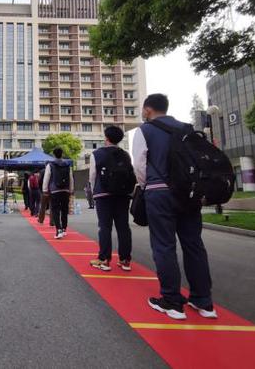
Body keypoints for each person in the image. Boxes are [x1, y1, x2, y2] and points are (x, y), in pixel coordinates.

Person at [132, 93, 217, 320]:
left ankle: (171, 301)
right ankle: (204, 302)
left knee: (164, 246)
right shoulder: (186, 129)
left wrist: (145, 186)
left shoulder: (145, 130)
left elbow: (139, 165)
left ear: (147, 110)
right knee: (193, 245)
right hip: (189, 193)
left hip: (159, 193)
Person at [89, 126, 134, 272]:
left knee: (105, 227)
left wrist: (94, 191)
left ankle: (104, 259)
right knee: (123, 227)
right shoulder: (126, 155)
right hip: (123, 195)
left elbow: (92, 176)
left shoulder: (96, 154)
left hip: (103, 194)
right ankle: (125, 260)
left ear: (106, 137)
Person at [42, 148, 74, 239]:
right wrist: (71, 189)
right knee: (64, 210)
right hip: (65, 190)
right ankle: (64, 229)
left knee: (55, 210)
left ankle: (58, 230)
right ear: (62, 154)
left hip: (55, 190)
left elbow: (46, 178)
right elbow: (71, 178)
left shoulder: (50, 165)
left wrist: (45, 190)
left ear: (53, 154)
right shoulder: (68, 165)